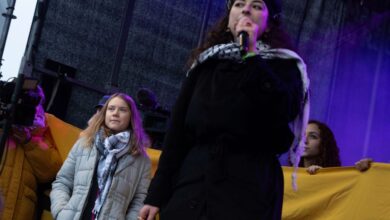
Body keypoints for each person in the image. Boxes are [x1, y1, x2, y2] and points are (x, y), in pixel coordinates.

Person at [139, 0, 310, 219]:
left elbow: (281, 109)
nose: (246, 9)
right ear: (229, 18)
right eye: (239, 4)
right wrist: (156, 194)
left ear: (269, 24)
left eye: (257, 5)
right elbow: (177, 134)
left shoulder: (286, 67)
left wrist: (250, 55)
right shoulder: (205, 64)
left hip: (247, 187)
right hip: (194, 182)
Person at [50, 93, 151, 219]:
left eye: (123, 110)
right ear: (104, 113)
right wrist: (61, 212)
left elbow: (139, 201)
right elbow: (62, 182)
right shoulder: (84, 143)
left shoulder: (142, 160)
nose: (115, 113)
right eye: (111, 108)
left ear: (131, 116)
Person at [0, 86, 62, 220]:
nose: (33, 108)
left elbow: (51, 171)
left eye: (37, 103)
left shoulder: (43, 134)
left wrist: (29, 140)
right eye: (24, 102)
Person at [298, 120, 373, 174]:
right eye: (302, 135)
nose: (305, 141)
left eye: (313, 136)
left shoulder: (337, 177)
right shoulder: (287, 175)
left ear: (324, 143)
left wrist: (369, 168)